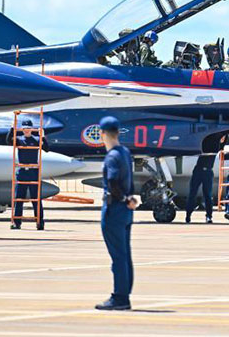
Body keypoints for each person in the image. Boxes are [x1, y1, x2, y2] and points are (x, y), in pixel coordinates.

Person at [96, 116, 138, 311]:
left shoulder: (112, 156)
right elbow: (129, 180)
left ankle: (120, 297)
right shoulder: (124, 152)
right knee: (125, 254)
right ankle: (125, 294)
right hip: (126, 212)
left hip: (114, 209)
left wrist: (122, 199)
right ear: (118, 132)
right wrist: (129, 199)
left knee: (118, 256)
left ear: (102, 134)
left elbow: (113, 183)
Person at [7, 119, 48, 230]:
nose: (26, 130)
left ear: (31, 129)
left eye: (28, 128)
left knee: (36, 198)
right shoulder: (20, 140)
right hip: (22, 172)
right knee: (19, 198)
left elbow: (47, 148)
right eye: (24, 128)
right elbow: (9, 141)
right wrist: (12, 130)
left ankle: (40, 222)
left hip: (33, 171)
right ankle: (16, 222)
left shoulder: (36, 140)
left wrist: (43, 137)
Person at [185, 154, 215, 223]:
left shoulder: (215, 146)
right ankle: (188, 215)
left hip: (208, 171)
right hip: (198, 170)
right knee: (192, 193)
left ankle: (209, 216)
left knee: (208, 195)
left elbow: (222, 144)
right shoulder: (203, 145)